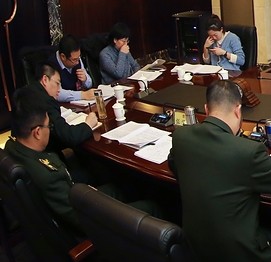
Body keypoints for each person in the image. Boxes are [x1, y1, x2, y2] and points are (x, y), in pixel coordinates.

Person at [169, 80, 271, 262]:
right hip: (245, 261)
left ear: (206, 109)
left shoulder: (182, 136)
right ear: (238, 110)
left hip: (197, 253)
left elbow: (174, 164)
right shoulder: (247, 151)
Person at [4, 94, 158, 241]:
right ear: (37, 132)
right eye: (49, 126)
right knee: (152, 207)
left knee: (123, 188)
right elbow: (79, 219)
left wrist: (86, 191)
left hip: (77, 197)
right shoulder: (47, 175)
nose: (50, 129)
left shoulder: (12, 147)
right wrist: (90, 196)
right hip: (92, 226)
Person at [13, 63, 97, 153]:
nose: (59, 90)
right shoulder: (46, 101)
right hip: (40, 154)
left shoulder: (25, 92)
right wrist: (88, 124)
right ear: (45, 80)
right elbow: (69, 137)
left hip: (17, 149)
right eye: (57, 83)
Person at [51, 34, 95, 103]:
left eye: (79, 58)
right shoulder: (51, 65)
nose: (77, 62)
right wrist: (82, 95)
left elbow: (89, 84)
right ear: (63, 57)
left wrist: (85, 79)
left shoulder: (76, 58)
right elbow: (57, 93)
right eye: (74, 60)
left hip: (79, 103)